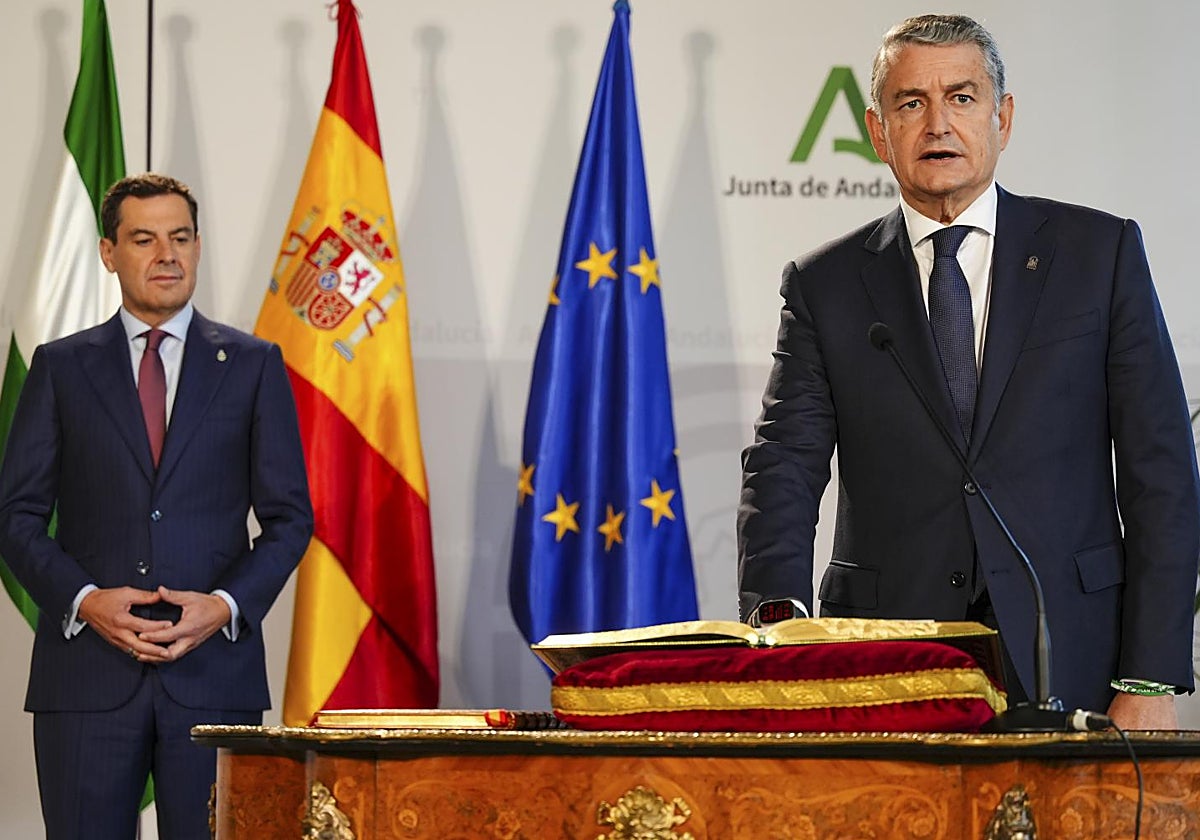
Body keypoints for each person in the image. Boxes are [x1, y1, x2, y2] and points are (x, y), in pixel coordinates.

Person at [737, 14, 1200, 730]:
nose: (938, 124)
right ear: (877, 130)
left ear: (1002, 117)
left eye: (962, 97)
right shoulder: (824, 285)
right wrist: (778, 627)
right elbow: (783, 467)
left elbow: (1161, 471)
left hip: (1074, 648)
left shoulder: (1097, 255)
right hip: (886, 658)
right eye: (911, 103)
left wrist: (1152, 677)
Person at [0, 173, 313, 839]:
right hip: (85, 680)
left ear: (198, 248)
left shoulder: (254, 365)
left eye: (180, 238)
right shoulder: (59, 367)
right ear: (109, 252)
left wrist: (223, 607)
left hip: (213, 680)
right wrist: (84, 599)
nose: (166, 254)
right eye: (144, 239)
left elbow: (289, 519)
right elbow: (16, 516)